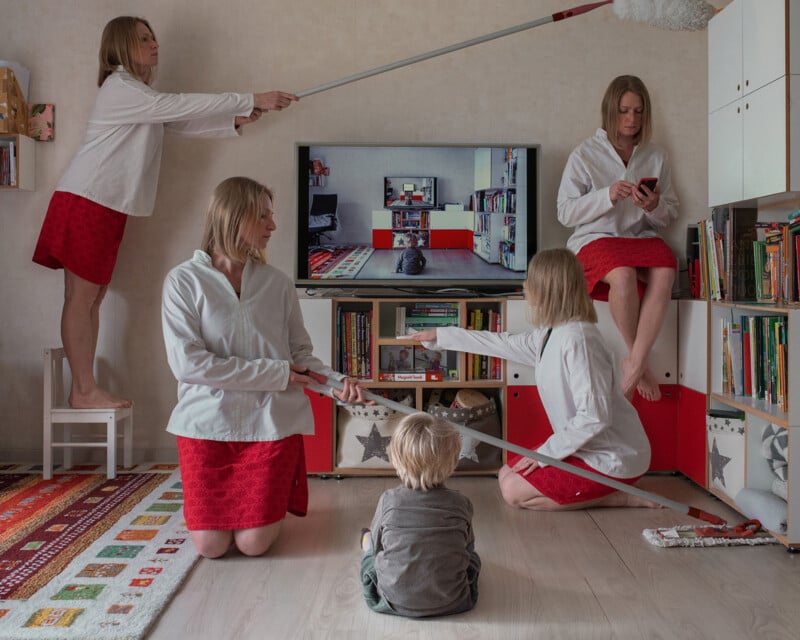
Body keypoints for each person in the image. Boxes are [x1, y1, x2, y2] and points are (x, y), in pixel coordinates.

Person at [32, 16, 299, 410]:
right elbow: (174, 106)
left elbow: (178, 121)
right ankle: (83, 391)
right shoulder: (119, 87)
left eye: (153, 38)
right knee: (81, 297)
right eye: (144, 38)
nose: (154, 44)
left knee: (93, 298)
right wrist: (250, 98)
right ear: (121, 45)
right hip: (86, 200)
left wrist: (234, 120)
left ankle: (85, 388)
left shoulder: (138, 95)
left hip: (103, 205)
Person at [161, 177, 368, 558]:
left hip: (270, 425)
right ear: (233, 218)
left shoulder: (277, 283)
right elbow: (188, 365)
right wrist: (275, 374)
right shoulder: (183, 282)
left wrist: (337, 383)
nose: (273, 226)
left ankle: (257, 516)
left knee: (253, 545)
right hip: (207, 425)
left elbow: (299, 354)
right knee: (211, 546)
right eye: (263, 217)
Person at [412, 248, 661, 512]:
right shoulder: (550, 333)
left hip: (612, 458)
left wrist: (546, 455)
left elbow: (594, 416)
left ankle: (619, 496)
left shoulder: (580, 340)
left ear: (549, 288)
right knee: (506, 473)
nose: (525, 286)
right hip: (585, 449)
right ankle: (604, 491)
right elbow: (501, 343)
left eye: (531, 280)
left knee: (513, 491)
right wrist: (439, 336)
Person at [556, 75, 679, 402]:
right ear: (610, 111)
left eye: (639, 111)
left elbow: (669, 213)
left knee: (667, 267)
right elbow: (565, 213)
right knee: (622, 275)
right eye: (624, 111)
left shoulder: (656, 155)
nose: (632, 119)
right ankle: (637, 360)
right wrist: (606, 195)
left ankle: (635, 362)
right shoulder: (585, 154)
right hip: (595, 239)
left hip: (639, 238)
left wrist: (653, 205)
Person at [360, 412, 480, 617]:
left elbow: (380, 544)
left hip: (392, 602)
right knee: (473, 559)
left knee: (370, 554)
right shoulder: (461, 503)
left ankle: (363, 542)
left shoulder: (389, 500)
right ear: (452, 462)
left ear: (396, 458)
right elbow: (468, 546)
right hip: (455, 601)